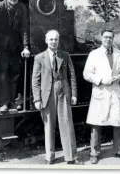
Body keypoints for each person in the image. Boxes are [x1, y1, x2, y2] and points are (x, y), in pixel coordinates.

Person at [32, 30, 83, 165]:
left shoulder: (65, 56)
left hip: (63, 92)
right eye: (51, 40)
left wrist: (73, 94)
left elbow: (72, 76)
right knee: (49, 126)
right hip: (47, 95)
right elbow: (35, 80)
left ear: (58, 41)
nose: (53, 42)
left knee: (67, 124)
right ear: (46, 41)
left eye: (56, 39)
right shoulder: (39, 58)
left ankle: (71, 156)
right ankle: (50, 157)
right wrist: (37, 99)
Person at [83, 29, 120, 164]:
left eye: (110, 37)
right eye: (105, 37)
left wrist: (119, 77)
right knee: (96, 124)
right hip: (101, 91)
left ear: (113, 39)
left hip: (116, 91)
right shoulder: (94, 54)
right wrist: (100, 80)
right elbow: (86, 74)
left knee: (118, 123)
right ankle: (94, 153)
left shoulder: (119, 54)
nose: (108, 39)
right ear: (101, 38)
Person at [0, 0, 30, 113]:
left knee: (15, 73)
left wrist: (25, 47)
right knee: (2, 74)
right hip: (1, 47)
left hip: (16, 46)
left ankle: (12, 102)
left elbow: (24, 28)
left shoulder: (21, 7)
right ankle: (3, 103)